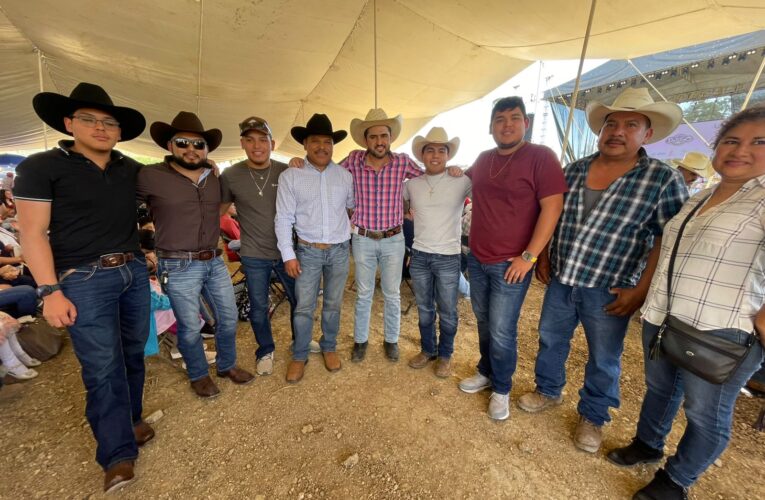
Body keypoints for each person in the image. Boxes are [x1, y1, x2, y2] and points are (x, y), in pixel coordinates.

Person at [606, 105, 765, 500]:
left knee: (705, 414)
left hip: (723, 330)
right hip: (665, 316)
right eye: (731, 140)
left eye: (758, 142)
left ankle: (676, 480)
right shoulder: (703, 196)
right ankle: (648, 443)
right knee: (660, 389)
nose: (740, 150)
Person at [518, 87, 689, 452]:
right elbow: (553, 217)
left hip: (610, 287)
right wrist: (544, 256)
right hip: (563, 279)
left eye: (631, 124)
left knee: (604, 357)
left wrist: (641, 290)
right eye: (611, 123)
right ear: (601, 130)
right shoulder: (575, 169)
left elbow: (666, 240)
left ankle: (594, 416)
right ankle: (547, 390)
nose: (618, 131)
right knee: (551, 340)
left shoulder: (663, 179)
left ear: (648, 134)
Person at [13, 82, 152, 492]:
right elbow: (33, 234)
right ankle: (116, 454)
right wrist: (48, 291)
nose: (101, 128)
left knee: (133, 353)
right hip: (83, 279)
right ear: (69, 123)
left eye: (109, 122)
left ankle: (131, 420)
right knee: (101, 366)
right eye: (89, 119)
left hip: (132, 272)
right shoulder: (41, 167)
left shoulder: (129, 168)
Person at [457, 96, 567, 421]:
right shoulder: (483, 158)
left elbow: (553, 207)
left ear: (525, 123)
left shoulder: (540, 157)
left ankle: (502, 388)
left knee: (503, 329)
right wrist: (452, 169)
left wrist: (529, 257)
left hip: (511, 264)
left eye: (514, 118)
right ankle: (486, 371)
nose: (507, 125)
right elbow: (463, 181)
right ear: (491, 126)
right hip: (477, 258)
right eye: (500, 119)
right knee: (483, 320)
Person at [137, 111, 254, 399]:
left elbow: (223, 208)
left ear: (207, 149)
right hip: (176, 264)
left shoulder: (215, 177)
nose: (191, 149)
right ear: (170, 146)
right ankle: (198, 374)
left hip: (213, 260)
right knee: (189, 326)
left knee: (227, 318)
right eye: (183, 142)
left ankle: (226, 365)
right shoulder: (150, 176)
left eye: (198, 144)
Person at [220, 116, 317, 377]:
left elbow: (311, 199)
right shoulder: (231, 175)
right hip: (253, 255)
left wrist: (302, 162)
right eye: (250, 140)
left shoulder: (288, 170)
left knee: (300, 301)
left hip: (289, 254)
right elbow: (219, 211)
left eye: (263, 139)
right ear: (242, 143)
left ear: (272, 143)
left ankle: (301, 342)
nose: (257, 146)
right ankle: (265, 350)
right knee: (258, 306)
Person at [275, 114, 354, 383]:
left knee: (333, 303)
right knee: (304, 306)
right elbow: (283, 217)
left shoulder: (345, 176)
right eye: (316, 141)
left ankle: (329, 346)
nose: (322, 147)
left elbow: (351, 208)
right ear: (305, 144)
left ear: (333, 145)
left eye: (327, 142)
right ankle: (300, 354)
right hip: (307, 250)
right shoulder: (291, 176)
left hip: (340, 250)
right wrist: (288, 254)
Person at [403, 127, 470, 378]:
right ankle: (428, 349)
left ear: (448, 155)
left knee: (448, 310)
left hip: (449, 257)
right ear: (422, 155)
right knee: (424, 309)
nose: (435, 155)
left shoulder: (462, 181)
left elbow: (486, 199)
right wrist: (404, 214)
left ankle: (445, 355)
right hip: (419, 254)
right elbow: (394, 203)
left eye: (441, 150)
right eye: (429, 150)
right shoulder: (411, 184)